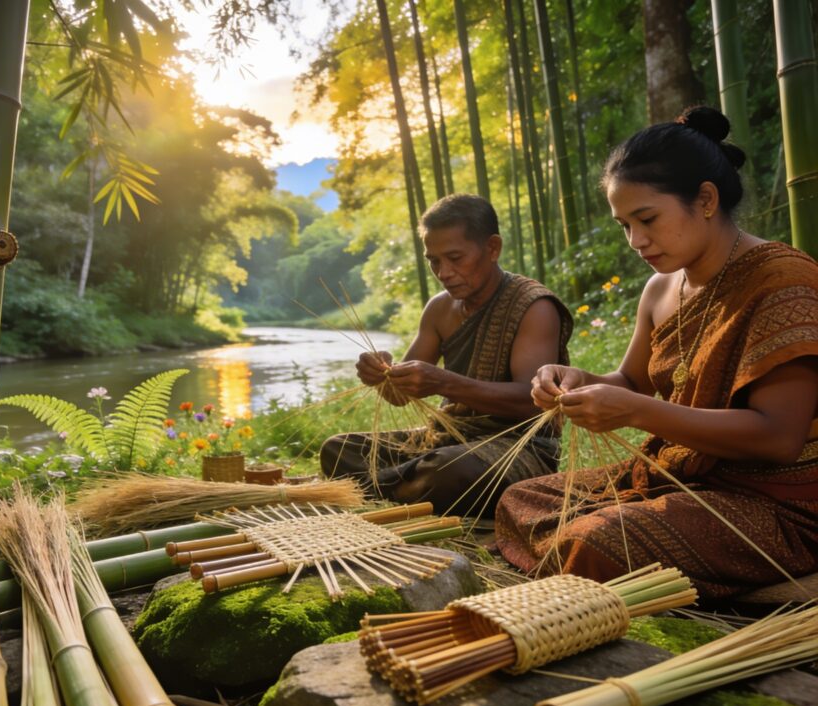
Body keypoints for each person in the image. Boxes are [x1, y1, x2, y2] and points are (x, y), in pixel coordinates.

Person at [496, 106, 818, 599]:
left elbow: (778, 437)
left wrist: (639, 413)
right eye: (625, 225)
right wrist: (580, 380)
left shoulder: (783, 284)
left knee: (595, 541)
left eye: (647, 219)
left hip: (774, 500)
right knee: (523, 498)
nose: (636, 241)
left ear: (706, 200)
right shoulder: (662, 288)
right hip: (678, 474)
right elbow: (631, 381)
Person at [320, 194, 572, 516]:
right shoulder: (439, 308)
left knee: (448, 472)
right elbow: (398, 395)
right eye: (434, 261)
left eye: (455, 258)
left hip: (519, 448)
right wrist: (381, 374)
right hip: (445, 439)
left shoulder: (534, 307)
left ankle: (400, 485)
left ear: (492, 248)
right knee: (340, 450)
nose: (444, 272)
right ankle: (412, 486)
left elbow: (530, 401)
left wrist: (444, 383)